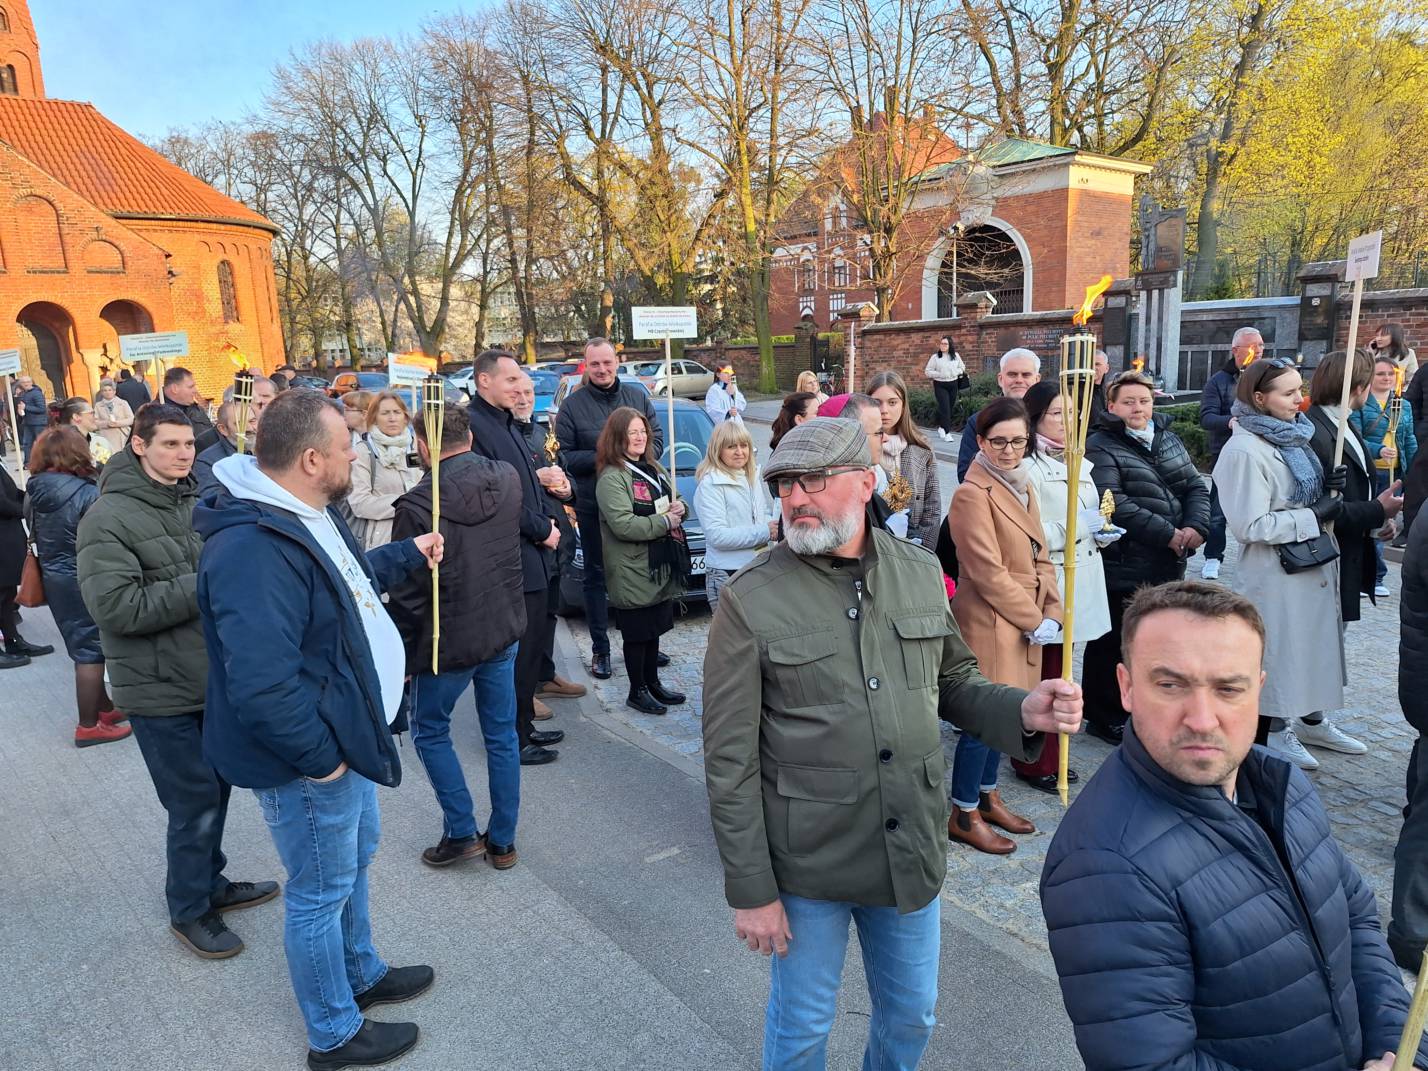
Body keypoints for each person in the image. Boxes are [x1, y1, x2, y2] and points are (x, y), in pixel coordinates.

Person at [702, 416, 1083, 1070]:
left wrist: (1023, 707)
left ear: (866, 481)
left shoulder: (918, 569)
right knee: (802, 1026)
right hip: (808, 861)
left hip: (908, 846)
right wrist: (751, 888)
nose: (796, 498)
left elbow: (955, 681)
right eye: (785, 484)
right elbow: (729, 759)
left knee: (912, 1015)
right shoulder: (750, 598)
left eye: (814, 481)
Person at [1041, 581, 1428, 1071]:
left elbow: (1354, 916)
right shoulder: (1105, 866)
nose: (1202, 720)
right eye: (1170, 685)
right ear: (1127, 687)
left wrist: (1395, 1047)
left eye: (1228, 688)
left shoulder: (1281, 783)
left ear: (1259, 689)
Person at [195, 389, 443, 1070]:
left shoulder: (305, 511)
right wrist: (323, 761)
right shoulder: (252, 547)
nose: (354, 456)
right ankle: (333, 1031)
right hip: (312, 757)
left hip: (344, 733)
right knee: (319, 891)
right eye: (344, 447)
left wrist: (407, 553)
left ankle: (360, 971)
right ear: (310, 459)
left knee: (352, 862)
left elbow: (345, 585)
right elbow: (261, 685)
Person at [77, 403, 278, 959]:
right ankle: (189, 908)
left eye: (188, 444)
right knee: (193, 800)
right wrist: (206, 580)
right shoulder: (107, 516)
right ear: (138, 445)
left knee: (216, 786)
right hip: (156, 687)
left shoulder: (192, 499)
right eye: (169, 444)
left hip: (207, 676)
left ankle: (211, 882)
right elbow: (116, 608)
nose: (184, 454)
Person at [387, 403, 526, 870]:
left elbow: (407, 592)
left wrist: (404, 659)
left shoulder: (418, 505)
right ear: (468, 437)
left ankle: (463, 831)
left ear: (422, 445)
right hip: (501, 624)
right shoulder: (507, 477)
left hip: (448, 639)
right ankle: (503, 840)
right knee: (501, 734)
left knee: (430, 730)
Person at [1214, 357, 1350, 770]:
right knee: (1277, 660)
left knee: (1305, 655)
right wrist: (1314, 514)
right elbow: (1250, 525)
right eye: (1288, 393)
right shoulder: (1243, 450)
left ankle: (1305, 721)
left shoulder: (1293, 438)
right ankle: (1270, 733)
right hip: (1275, 572)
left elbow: (1291, 494)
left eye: (1299, 390)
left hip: (1309, 565)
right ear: (1259, 398)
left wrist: (1325, 490)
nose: (1299, 400)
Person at [946, 397, 1059, 852]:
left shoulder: (1023, 485)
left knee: (1007, 714)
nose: (1009, 451)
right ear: (980, 441)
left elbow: (1042, 557)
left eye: (1018, 441)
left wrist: (1054, 612)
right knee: (983, 719)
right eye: (999, 442)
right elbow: (986, 572)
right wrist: (1034, 618)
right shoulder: (971, 494)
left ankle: (988, 796)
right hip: (991, 620)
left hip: (1023, 617)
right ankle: (963, 810)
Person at [1082, 370, 1210, 744]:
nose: (1138, 408)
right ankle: (1104, 714)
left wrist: (1196, 526)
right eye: (1128, 402)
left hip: (1168, 561)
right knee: (1114, 641)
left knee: (1152, 639)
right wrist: (1168, 533)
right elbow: (1114, 502)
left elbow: (1194, 485)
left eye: (1144, 401)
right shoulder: (1100, 446)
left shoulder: (1167, 438)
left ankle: (1142, 708)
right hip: (1125, 560)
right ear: (1111, 406)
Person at [1012, 380, 1117, 793]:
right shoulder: (1028, 467)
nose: (1067, 421)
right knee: (1045, 671)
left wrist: (1100, 531)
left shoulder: (1078, 461)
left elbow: (1087, 516)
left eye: (1073, 412)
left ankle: (1053, 752)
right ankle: (1035, 758)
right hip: (1049, 580)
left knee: (1064, 668)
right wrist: (1078, 528)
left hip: (1081, 574)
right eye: (1057, 413)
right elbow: (1026, 533)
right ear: (1035, 418)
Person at [467, 350, 566, 765]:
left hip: (532, 553)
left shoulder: (506, 422)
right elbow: (493, 497)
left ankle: (523, 724)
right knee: (515, 655)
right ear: (484, 381)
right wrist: (541, 528)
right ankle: (510, 738)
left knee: (530, 650)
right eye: (509, 380)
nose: (518, 389)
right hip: (510, 556)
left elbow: (526, 485)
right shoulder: (476, 426)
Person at [554, 337, 662, 680]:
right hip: (592, 504)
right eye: (595, 364)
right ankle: (601, 648)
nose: (602, 369)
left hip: (641, 501)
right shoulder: (573, 406)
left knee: (642, 572)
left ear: (617, 361)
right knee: (597, 576)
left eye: (607, 362)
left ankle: (645, 640)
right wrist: (610, 457)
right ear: (586, 366)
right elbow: (565, 456)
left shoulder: (637, 397)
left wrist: (634, 456)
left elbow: (657, 440)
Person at [26, 428, 126, 744]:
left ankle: (104, 708)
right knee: (91, 650)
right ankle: (88, 726)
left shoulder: (34, 491)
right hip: (84, 575)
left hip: (55, 577)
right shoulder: (87, 492)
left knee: (81, 641)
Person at [1308, 347, 1402, 647]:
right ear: (1359, 387)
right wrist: (1376, 510)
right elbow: (1319, 508)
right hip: (1324, 561)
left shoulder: (1345, 423)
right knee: (1322, 648)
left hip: (1349, 553)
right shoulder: (1314, 431)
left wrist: (1378, 521)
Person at [596, 407, 687, 715]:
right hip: (631, 568)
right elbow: (623, 525)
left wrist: (680, 508)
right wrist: (665, 522)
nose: (639, 437)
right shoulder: (612, 477)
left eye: (642, 431)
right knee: (637, 634)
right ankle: (637, 691)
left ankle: (653, 683)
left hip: (656, 564)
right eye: (632, 432)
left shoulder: (654, 467)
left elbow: (675, 499)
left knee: (653, 629)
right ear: (617, 437)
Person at [512, 375, 586, 711]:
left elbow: (565, 471)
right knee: (527, 623)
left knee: (548, 615)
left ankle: (544, 675)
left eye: (528, 392)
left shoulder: (543, 433)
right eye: (517, 393)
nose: (524, 399)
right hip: (529, 540)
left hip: (558, 537)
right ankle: (524, 691)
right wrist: (536, 478)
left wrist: (568, 489)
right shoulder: (505, 437)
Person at [694, 420, 775, 613]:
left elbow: (760, 514)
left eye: (743, 445)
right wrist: (765, 531)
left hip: (756, 567)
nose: (739, 452)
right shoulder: (710, 485)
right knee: (731, 632)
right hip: (727, 572)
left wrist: (773, 525)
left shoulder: (750, 477)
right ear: (718, 450)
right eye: (731, 447)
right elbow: (717, 536)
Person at [1199, 325, 1260, 580]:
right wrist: (1230, 421)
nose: (1258, 350)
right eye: (1253, 345)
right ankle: (1213, 556)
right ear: (1236, 350)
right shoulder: (1218, 381)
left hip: (1260, 452)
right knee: (1219, 509)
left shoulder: (1268, 377)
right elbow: (1207, 417)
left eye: (1261, 345)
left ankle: (1258, 559)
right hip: (1226, 453)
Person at [1353, 354, 1417, 596]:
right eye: (1381, 374)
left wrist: (1414, 469)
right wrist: (1378, 449)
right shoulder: (1361, 402)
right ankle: (1366, 575)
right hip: (1370, 470)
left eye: (1391, 374)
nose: (1387, 378)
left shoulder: (1403, 404)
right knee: (1368, 523)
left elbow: (1408, 438)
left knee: (1384, 524)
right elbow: (1356, 437)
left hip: (1394, 472)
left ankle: (1376, 577)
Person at [867, 371, 941, 547]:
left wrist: (923, 551)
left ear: (903, 405)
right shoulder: (861, 446)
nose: (884, 410)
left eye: (892, 402)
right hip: (873, 546)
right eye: (877, 403)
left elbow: (932, 508)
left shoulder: (922, 449)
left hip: (914, 546)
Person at [347, 390, 424, 551]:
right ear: (374, 417)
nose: (392, 418)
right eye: (385, 413)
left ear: (405, 417)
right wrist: (407, 503)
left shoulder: (418, 448)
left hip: (420, 536)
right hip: (383, 542)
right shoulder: (364, 451)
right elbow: (360, 503)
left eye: (397, 412)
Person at [0, 453, 52, 670]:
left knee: (7, 594)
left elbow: (10, 493)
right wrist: (25, 508)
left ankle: (13, 641)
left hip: (7, 535)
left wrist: (30, 498)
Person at [957, 348, 1041, 481]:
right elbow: (965, 474)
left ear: (1037, 379)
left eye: (1026, 375)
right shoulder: (979, 421)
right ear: (1000, 379)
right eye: (1012, 374)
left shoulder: (1049, 419)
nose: (1019, 380)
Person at [193, 375, 278, 496]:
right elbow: (211, 497)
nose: (249, 428)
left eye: (252, 421)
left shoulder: (270, 450)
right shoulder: (208, 460)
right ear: (223, 429)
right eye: (239, 423)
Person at [162, 366, 219, 452]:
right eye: (190, 387)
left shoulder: (196, 409)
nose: (195, 390)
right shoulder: (156, 415)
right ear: (174, 389)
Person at [923, 334, 966, 441]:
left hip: (953, 384)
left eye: (945, 344)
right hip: (940, 385)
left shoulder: (955, 356)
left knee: (949, 408)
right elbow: (927, 371)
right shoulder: (935, 357)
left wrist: (955, 372)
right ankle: (947, 433)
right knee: (945, 408)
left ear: (950, 345)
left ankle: (942, 427)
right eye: (941, 343)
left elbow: (962, 368)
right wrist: (939, 374)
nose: (943, 345)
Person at [55, 396, 111, 466]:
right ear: (76, 417)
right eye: (92, 413)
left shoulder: (100, 442)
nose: (96, 417)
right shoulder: (59, 445)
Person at [93, 378, 134, 454]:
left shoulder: (123, 403)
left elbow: (131, 419)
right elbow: (95, 422)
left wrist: (117, 423)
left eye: (110, 390)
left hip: (122, 436)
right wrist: (106, 423)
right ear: (101, 392)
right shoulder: (98, 406)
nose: (107, 392)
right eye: (105, 390)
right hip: (106, 437)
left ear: (114, 391)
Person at [15, 374, 47, 466]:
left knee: (41, 443)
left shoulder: (37, 393)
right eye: (23, 382)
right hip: (28, 422)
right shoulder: (23, 393)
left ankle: (46, 462)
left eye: (28, 382)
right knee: (27, 443)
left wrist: (26, 407)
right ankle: (28, 463)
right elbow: (23, 407)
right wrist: (20, 411)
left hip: (38, 423)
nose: (26, 384)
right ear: (21, 384)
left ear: (32, 382)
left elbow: (42, 409)